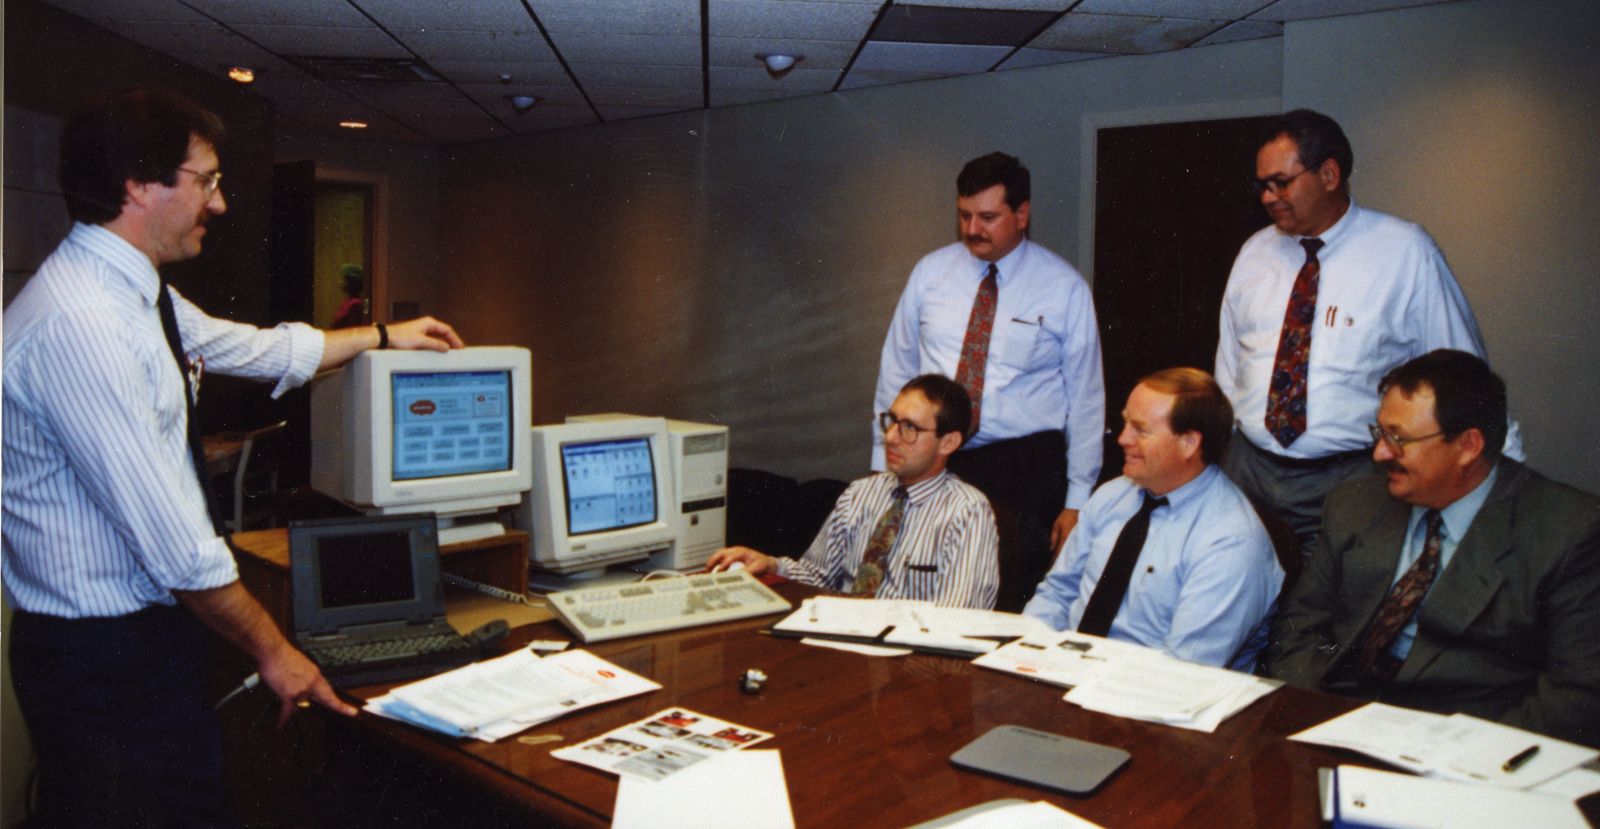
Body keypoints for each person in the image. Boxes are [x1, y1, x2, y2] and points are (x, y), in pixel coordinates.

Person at [2, 87, 466, 826]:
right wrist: (276, 650)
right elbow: (179, 549)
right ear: (138, 186)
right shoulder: (83, 324)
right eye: (207, 180)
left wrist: (382, 336)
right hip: (106, 659)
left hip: (140, 645)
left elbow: (247, 346)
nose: (219, 204)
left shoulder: (133, 290)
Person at [1215, 109, 1519, 557]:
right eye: (1261, 184)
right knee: (1242, 600)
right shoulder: (1255, 252)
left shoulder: (1404, 252)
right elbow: (1229, 365)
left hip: (1352, 476)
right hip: (1249, 470)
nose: (1268, 196)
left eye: (1281, 182)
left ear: (1330, 174)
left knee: (1341, 607)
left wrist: (1502, 479)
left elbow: (1464, 376)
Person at [1262, 351, 1600, 748]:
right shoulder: (1354, 504)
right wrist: (1313, 714)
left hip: (1467, 748)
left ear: (1468, 446)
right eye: (1380, 433)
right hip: (1335, 724)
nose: (1380, 454)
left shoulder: (1568, 532)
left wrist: (1457, 757)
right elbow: (1298, 628)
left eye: (1399, 439)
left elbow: (1574, 697)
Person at [874, 151, 1104, 611]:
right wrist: (886, 471)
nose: (972, 229)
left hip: (1025, 469)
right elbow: (894, 375)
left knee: (1008, 594)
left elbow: (1086, 399)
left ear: (1022, 213)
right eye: (963, 215)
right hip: (938, 456)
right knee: (925, 584)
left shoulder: (1063, 288)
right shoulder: (931, 274)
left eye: (987, 217)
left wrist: (1078, 500)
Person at [1023, 368, 1282, 670]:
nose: (1121, 439)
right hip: (1063, 673)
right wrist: (1024, 658)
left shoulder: (1231, 541)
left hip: (1150, 695)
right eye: (1124, 423)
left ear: (1189, 443)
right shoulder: (1113, 496)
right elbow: (1057, 594)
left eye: (1140, 430)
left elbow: (1184, 669)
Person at [711, 375, 999, 609]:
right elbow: (818, 576)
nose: (891, 437)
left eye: (909, 427)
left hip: (910, 663)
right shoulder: (860, 493)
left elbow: (960, 616)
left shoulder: (968, 511)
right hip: (840, 645)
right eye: (892, 421)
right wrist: (771, 564)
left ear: (948, 442)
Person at [330, 262, 365, 328]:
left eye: (344, 280)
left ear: (352, 283)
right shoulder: (348, 301)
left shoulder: (355, 304)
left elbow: (353, 329)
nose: (341, 282)